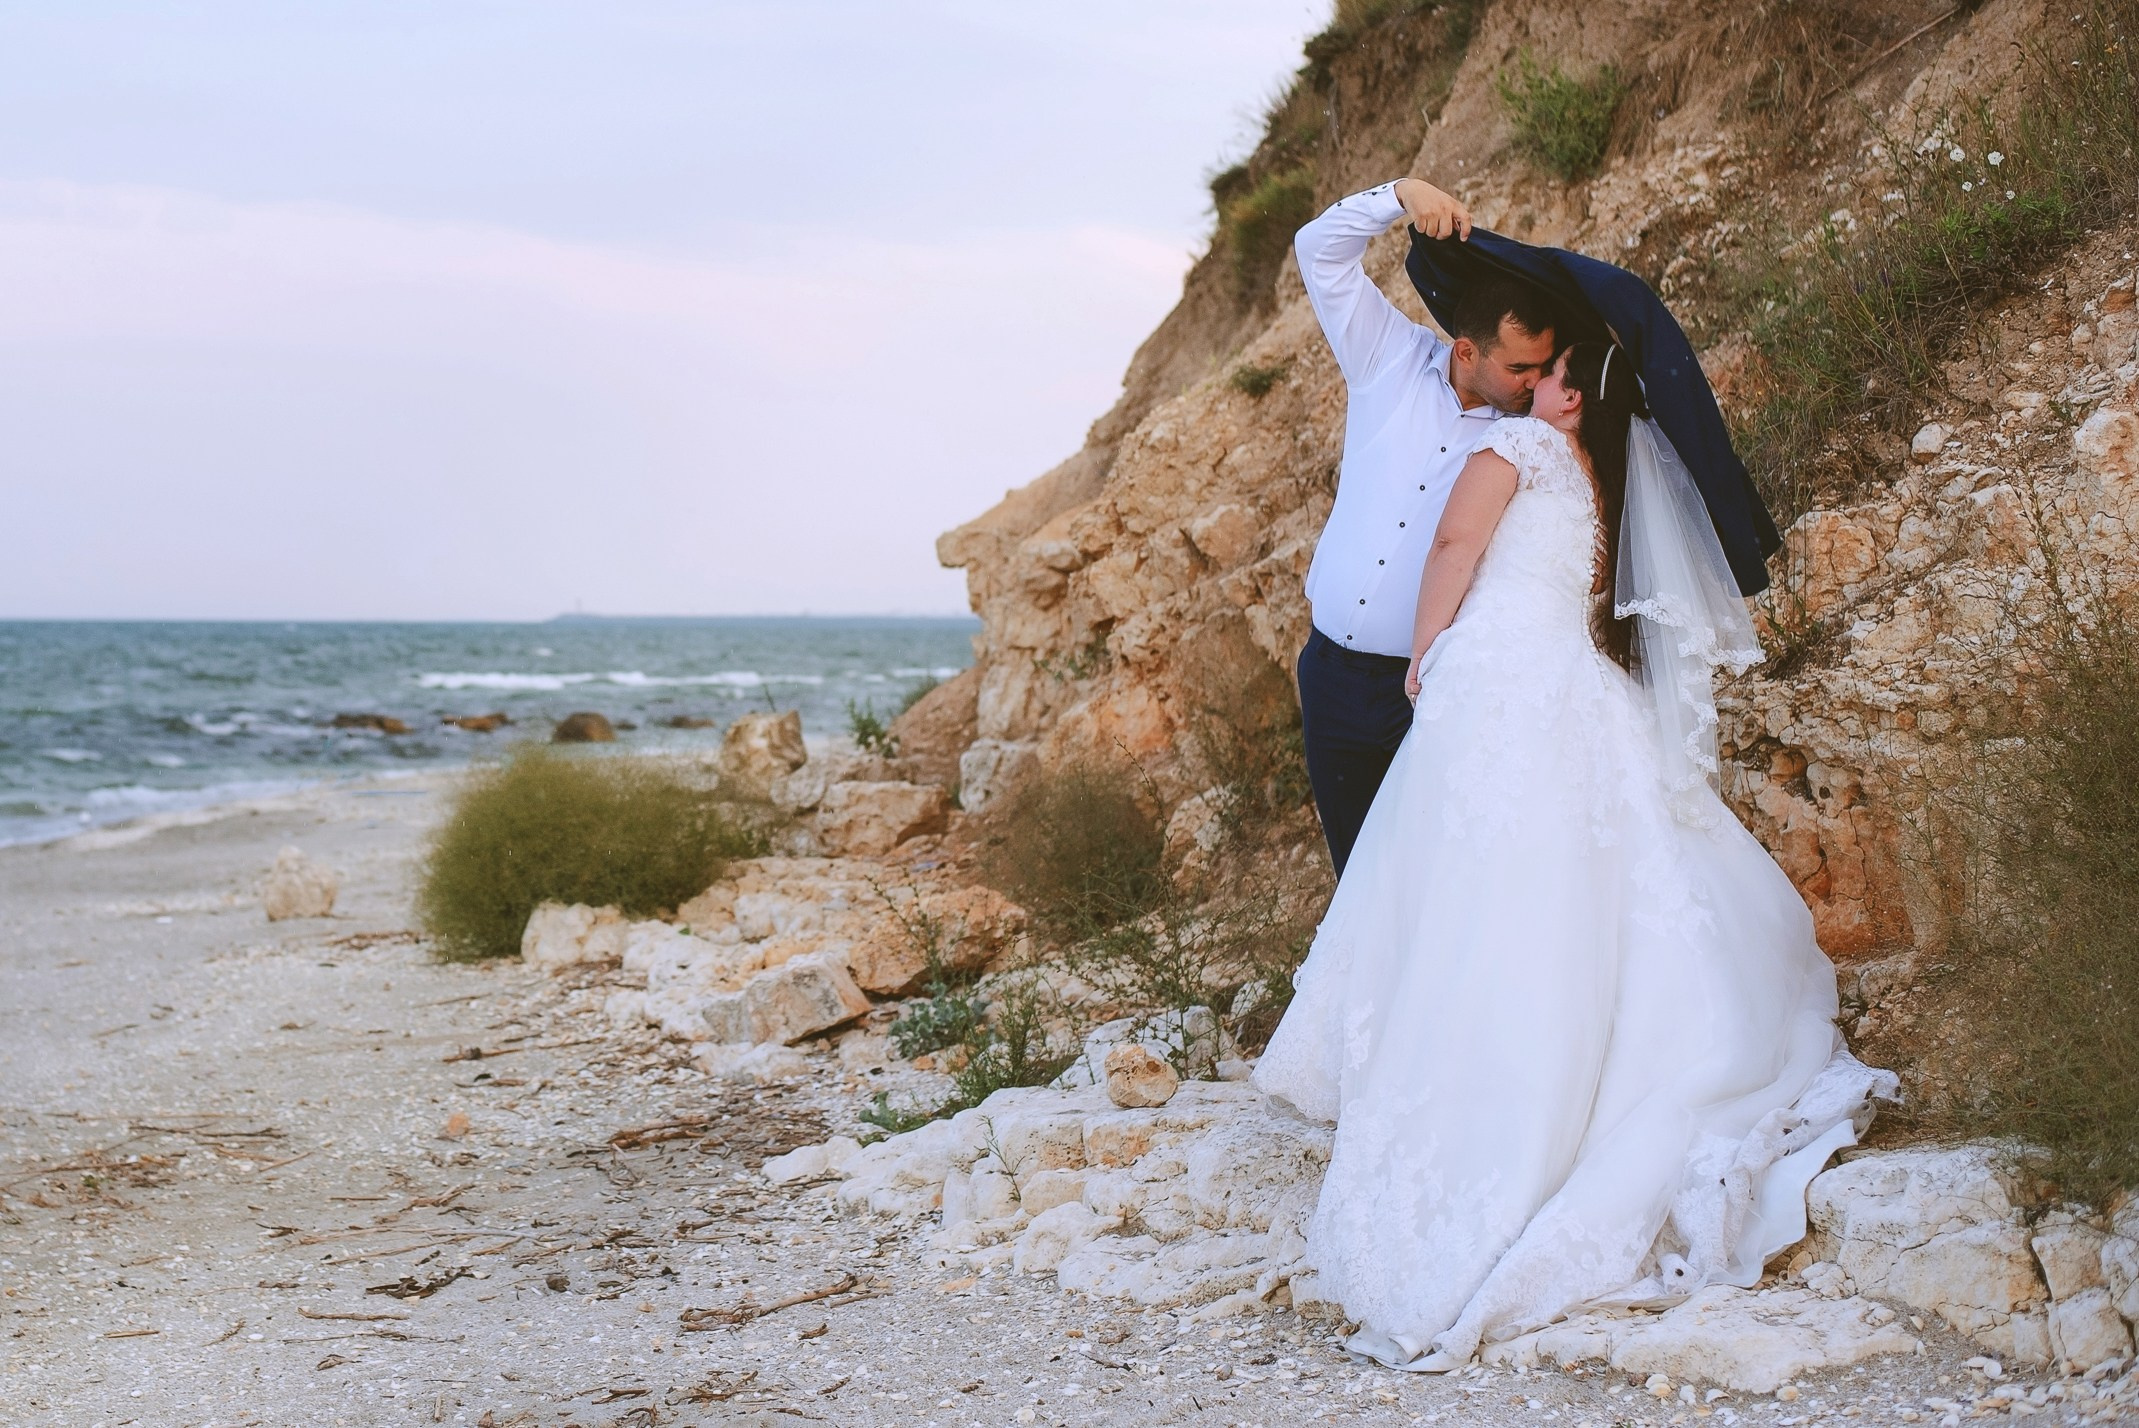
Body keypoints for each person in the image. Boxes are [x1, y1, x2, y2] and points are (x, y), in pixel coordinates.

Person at [1252, 340, 1893, 1371]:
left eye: (1547, 369)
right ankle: (1576, 1083)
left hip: (1501, 674)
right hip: (1573, 678)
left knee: (1466, 883)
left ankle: (1460, 1091)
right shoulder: (1607, 475)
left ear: (1569, 390)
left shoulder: (1519, 447)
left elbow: (1457, 548)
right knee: (1576, 881)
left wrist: (1424, 653)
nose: (1528, 381)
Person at [1291, 178, 1558, 877]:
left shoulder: (1529, 435)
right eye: (1518, 365)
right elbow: (1317, 253)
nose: (1534, 379)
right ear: (1466, 351)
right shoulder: (1387, 358)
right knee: (1357, 876)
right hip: (1333, 678)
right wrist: (1399, 193)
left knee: (1439, 877)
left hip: (1439, 687)